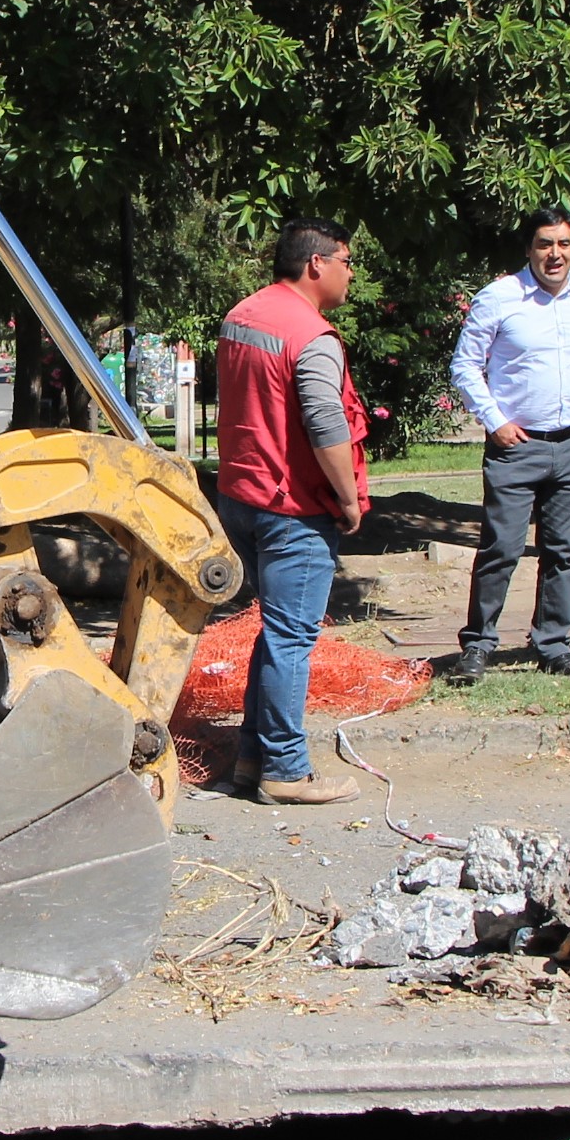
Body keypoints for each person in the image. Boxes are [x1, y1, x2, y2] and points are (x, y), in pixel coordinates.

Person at [213, 217, 369, 805]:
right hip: (294, 508)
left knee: (274, 631)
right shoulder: (312, 336)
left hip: (241, 498)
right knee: (292, 637)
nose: (351, 274)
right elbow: (325, 421)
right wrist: (349, 500)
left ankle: (252, 758)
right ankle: (285, 769)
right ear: (316, 264)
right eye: (347, 261)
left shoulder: (242, 316)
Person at [448, 208, 570, 682]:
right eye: (545, 244)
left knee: (562, 552)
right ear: (529, 248)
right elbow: (466, 365)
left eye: (564, 244)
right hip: (515, 447)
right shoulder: (501, 297)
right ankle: (478, 645)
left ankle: (552, 644)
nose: (555, 254)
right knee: (501, 549)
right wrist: (495, 421)